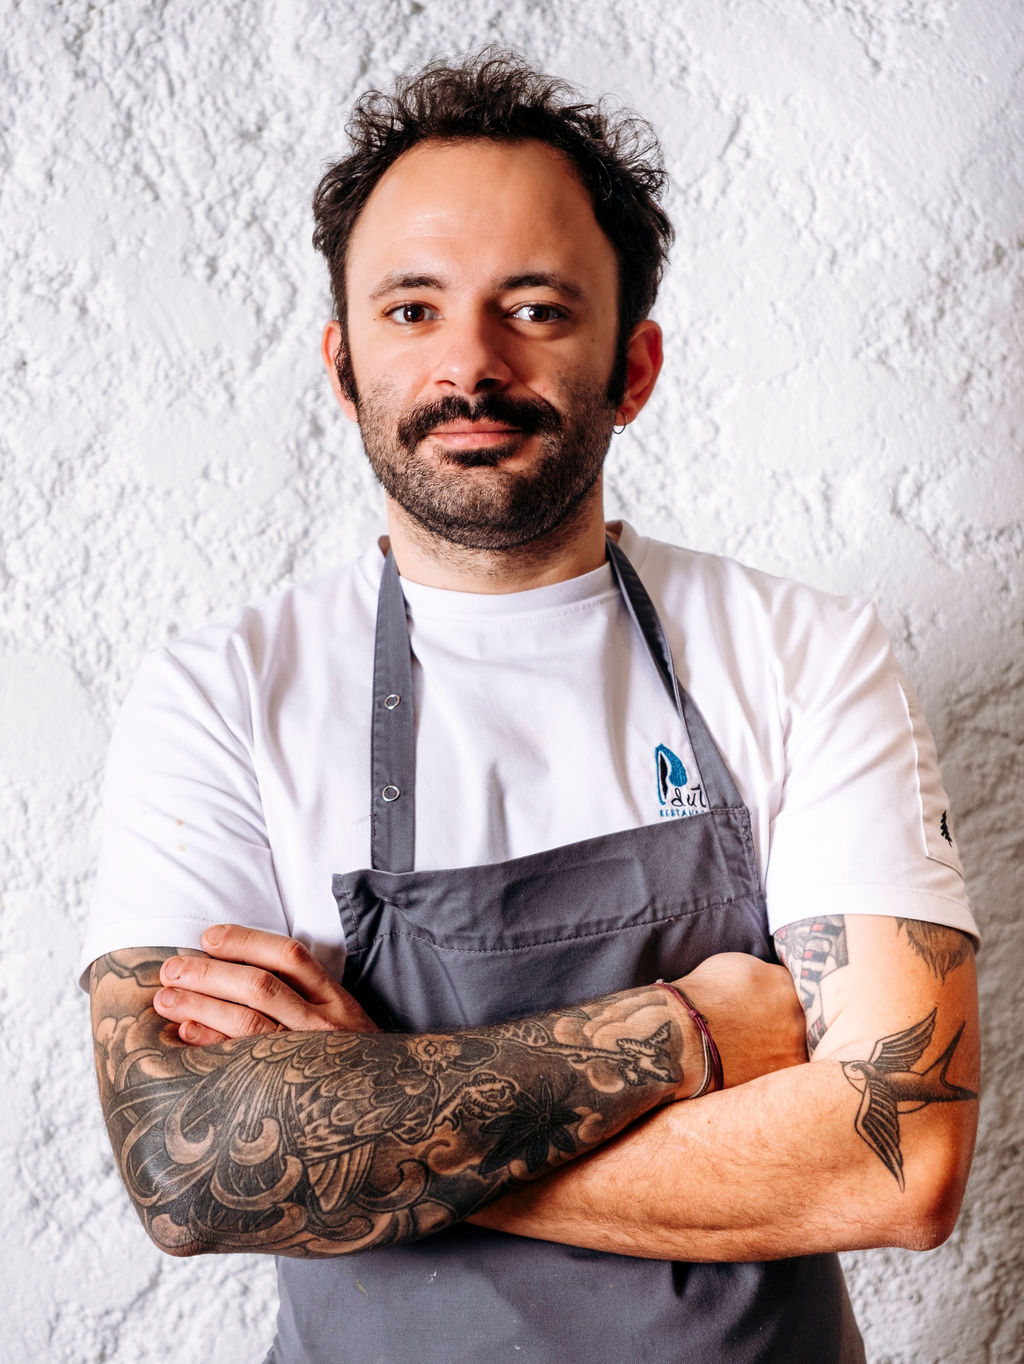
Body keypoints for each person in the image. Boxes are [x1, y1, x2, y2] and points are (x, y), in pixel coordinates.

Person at [83, 52, 979, 1364]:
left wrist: (368, 1111)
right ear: (342, 366)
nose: (471, 362)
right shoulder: (220, 697)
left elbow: (901, 1161)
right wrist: (681, 1034)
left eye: (538, 308)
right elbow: (189, 1169)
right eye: (412, 310)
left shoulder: (802, 654)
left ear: (633, 365)